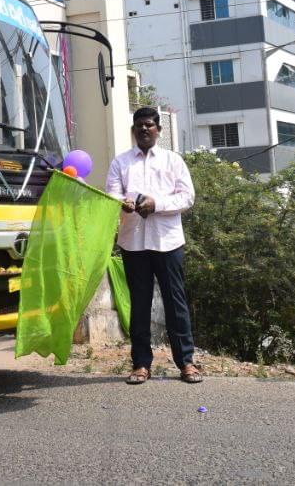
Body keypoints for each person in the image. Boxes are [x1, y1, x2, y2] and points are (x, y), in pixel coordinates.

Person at [105, 106, 201, 385]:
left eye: (149, 125)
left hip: (168, 242)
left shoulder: (173, 160)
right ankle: (141, 364)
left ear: (158, 130)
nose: (144, 129)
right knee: (139, 304)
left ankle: (186, 363)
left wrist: (156, 204)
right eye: (139, 125)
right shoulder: (121, 162)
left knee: (175, 303)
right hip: (133, 243)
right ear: (133, 130)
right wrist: (122, 202)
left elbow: (187, 197)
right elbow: (112, 194)